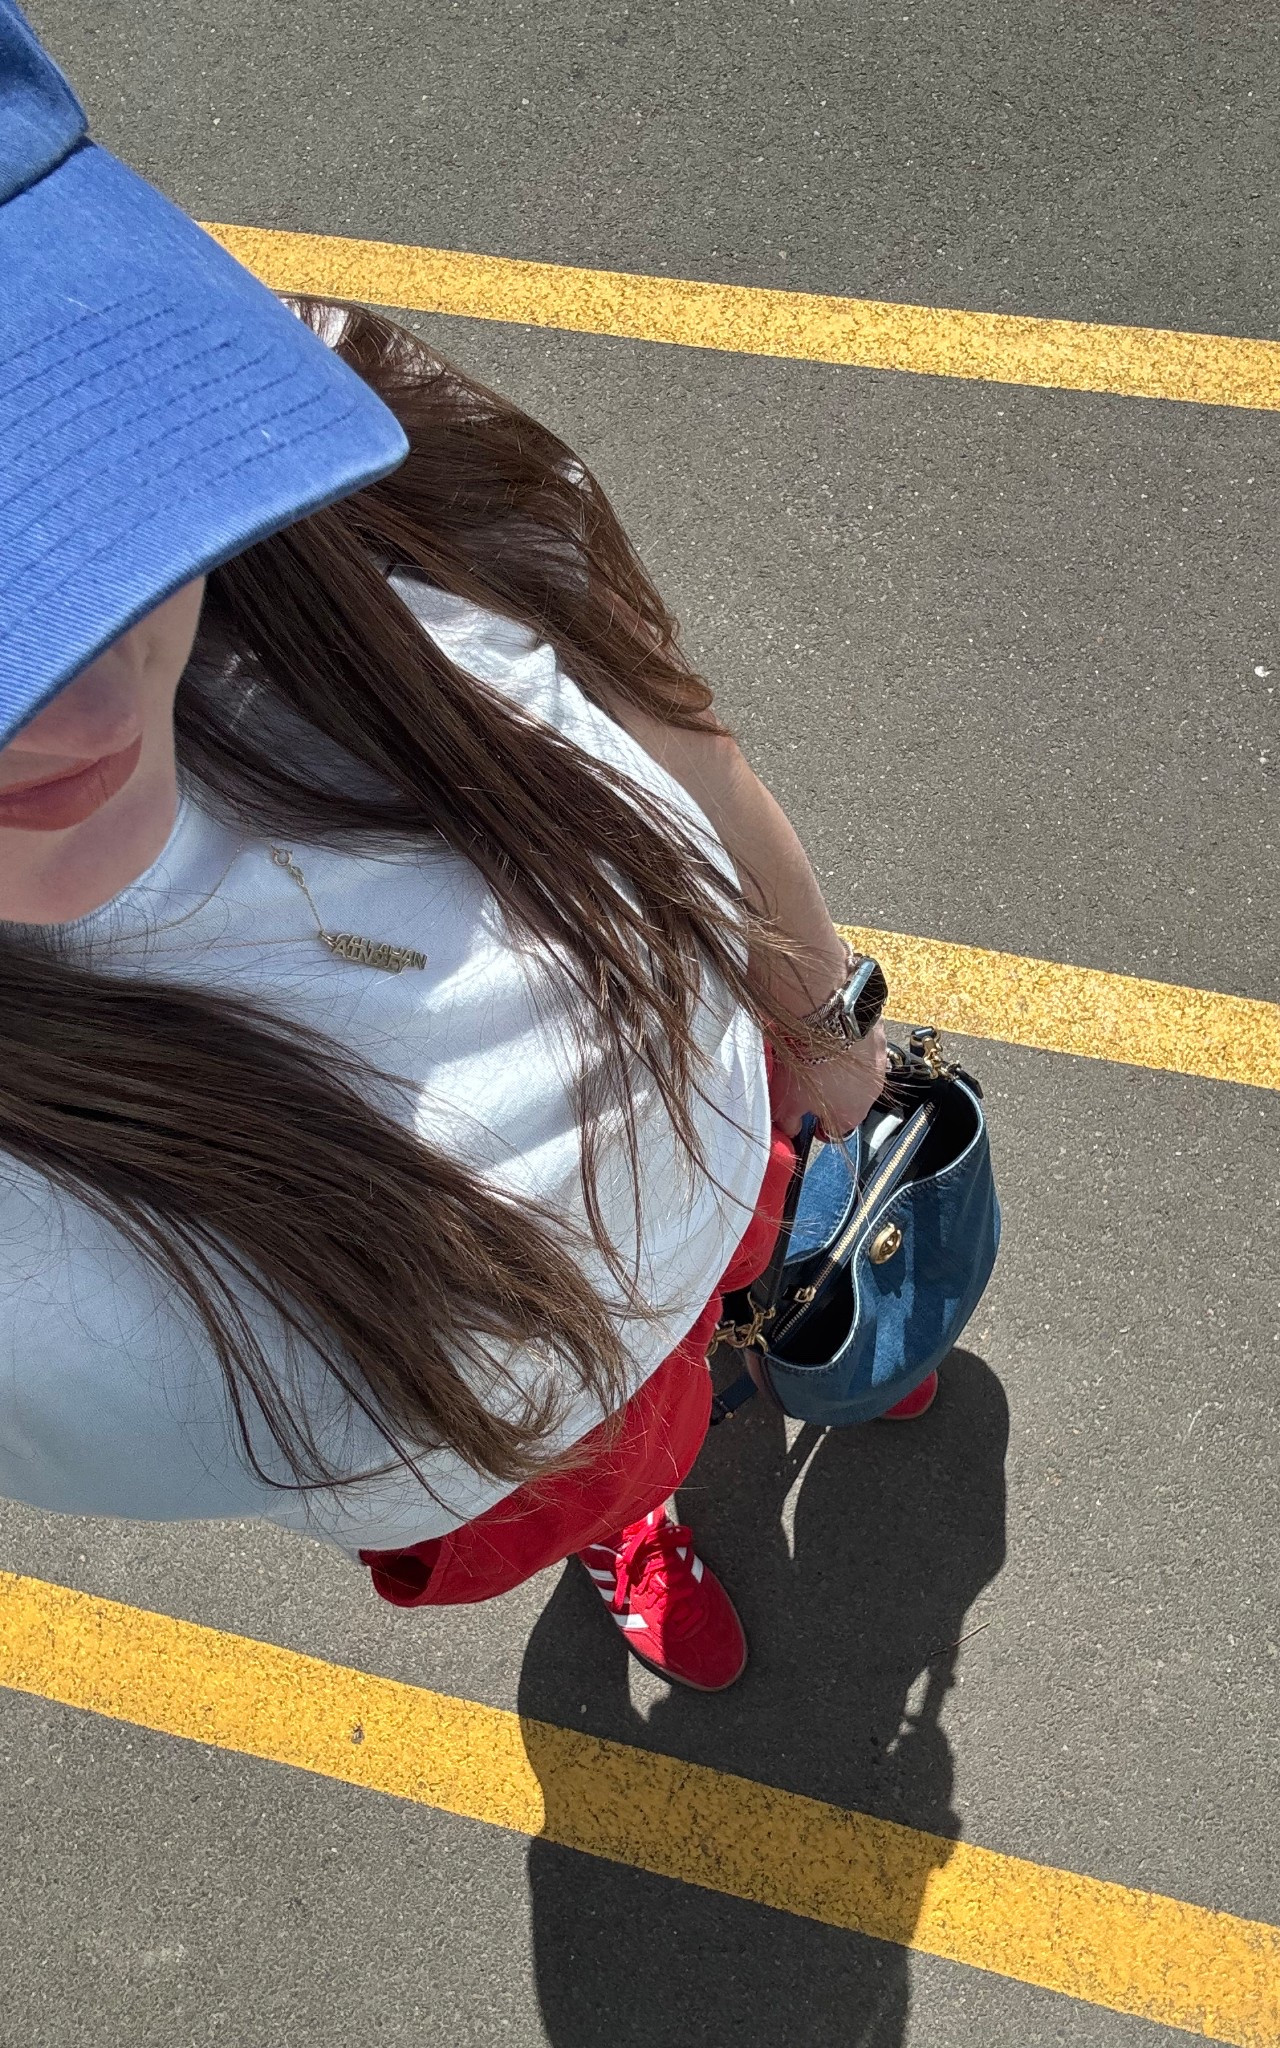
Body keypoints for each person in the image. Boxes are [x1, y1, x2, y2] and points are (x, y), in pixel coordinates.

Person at [0, 2, 935, 1692]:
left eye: (61, 439)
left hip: (728, 1164)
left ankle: (782, 1293)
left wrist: (823, 1041)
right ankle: (627, 1518)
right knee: (612, 1457)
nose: (61, 684)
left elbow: (676, 731)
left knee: (773, 1268)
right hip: (504, 1444)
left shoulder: (354, 430)